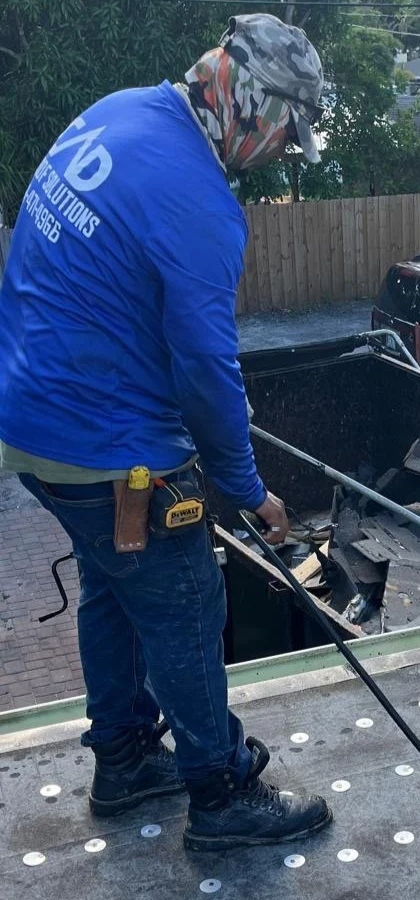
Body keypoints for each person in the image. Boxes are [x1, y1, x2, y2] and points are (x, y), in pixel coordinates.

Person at [0, 14, 332, 852]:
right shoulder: (200, 205)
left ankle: (123, 762)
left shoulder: (117, 113)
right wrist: (249, 490)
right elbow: (206, 377)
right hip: (105, 441)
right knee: (185, 601)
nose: (283, 156)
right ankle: (220, 796)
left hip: (33, 420)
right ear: (253, 107)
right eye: (287, 136)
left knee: (116, 581)